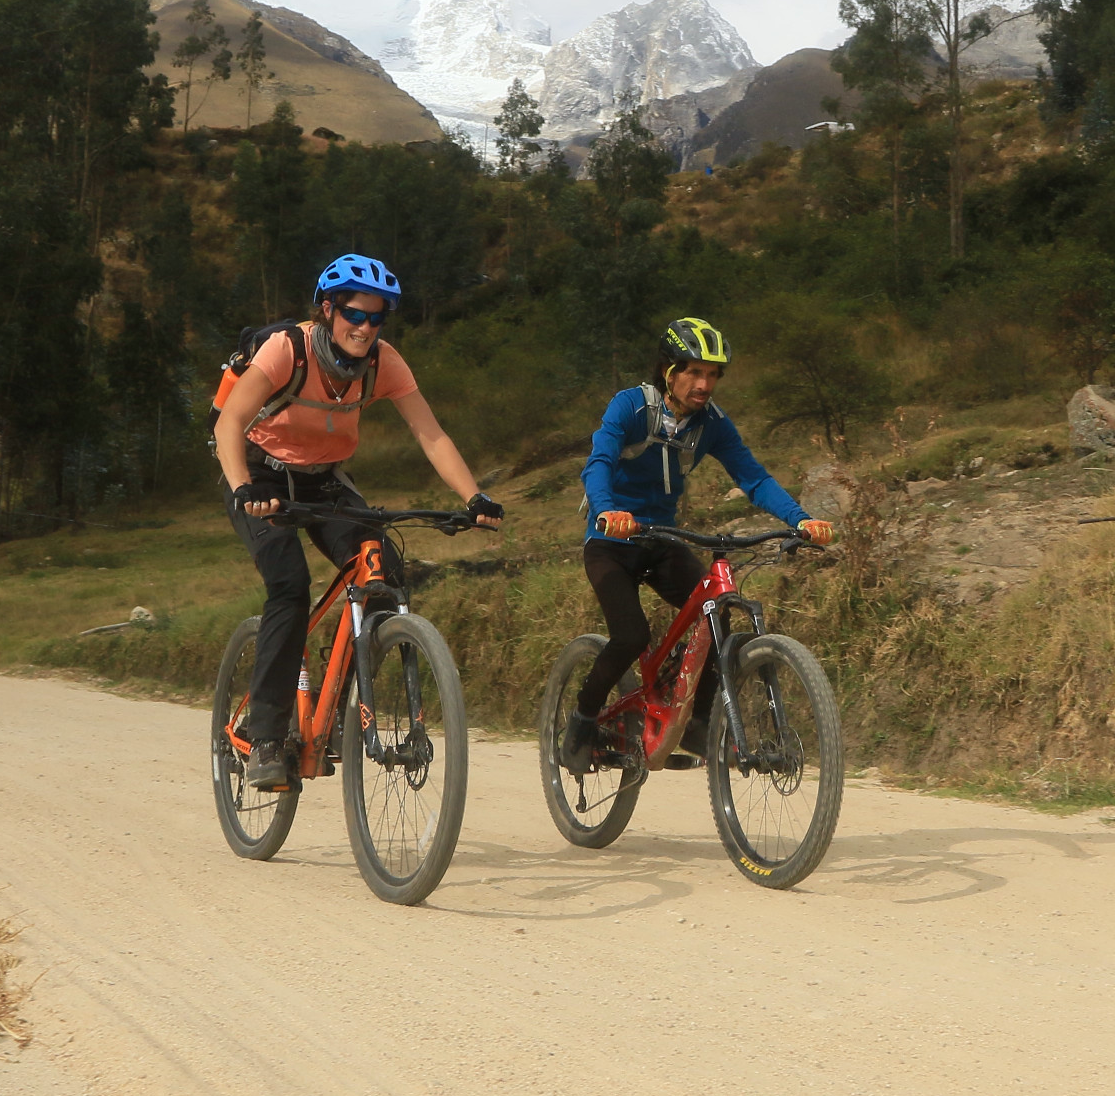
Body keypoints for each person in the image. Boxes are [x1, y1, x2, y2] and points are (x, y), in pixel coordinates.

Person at [214, 254, 501, 789]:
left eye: (376, 319)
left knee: (383, 571)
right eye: (354, 314)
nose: (365, 328)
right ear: (328, 310)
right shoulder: (288, 350)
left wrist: (475, 496)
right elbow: (231, 421)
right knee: (289, 585)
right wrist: (244, 489)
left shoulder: (383, 362)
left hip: (324, 479)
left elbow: (430, 434)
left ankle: (341, 709)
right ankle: (269, 736)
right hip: (258, 474)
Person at [561, 317, 834, 771]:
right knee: (631, 635)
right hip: (611, 541)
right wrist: (608, 509)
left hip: (663, 540)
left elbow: (754, 478)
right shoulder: (631, 407)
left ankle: (697, 720)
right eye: (694, 372)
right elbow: (600, 461)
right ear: (669, 372)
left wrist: (801, 520)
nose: (705, 384)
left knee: (718, 615)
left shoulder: (712, 425)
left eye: (713, 375)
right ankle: (582, 721)